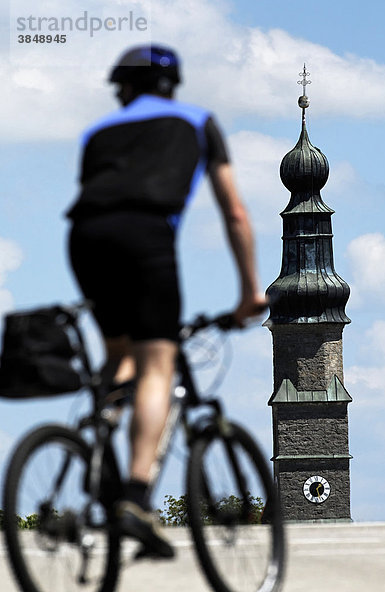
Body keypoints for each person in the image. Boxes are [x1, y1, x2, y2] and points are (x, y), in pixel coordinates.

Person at [66, 44, 266, 557]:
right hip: (146, 236)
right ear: (171, 86)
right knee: (159, 363)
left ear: (122, 89)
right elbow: (236, 213)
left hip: (85, 238)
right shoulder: (199, 121)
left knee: (119, 355)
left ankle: (96, 437)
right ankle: (134, 495)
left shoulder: (96, 132)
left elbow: (94, 196)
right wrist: (249, 291)